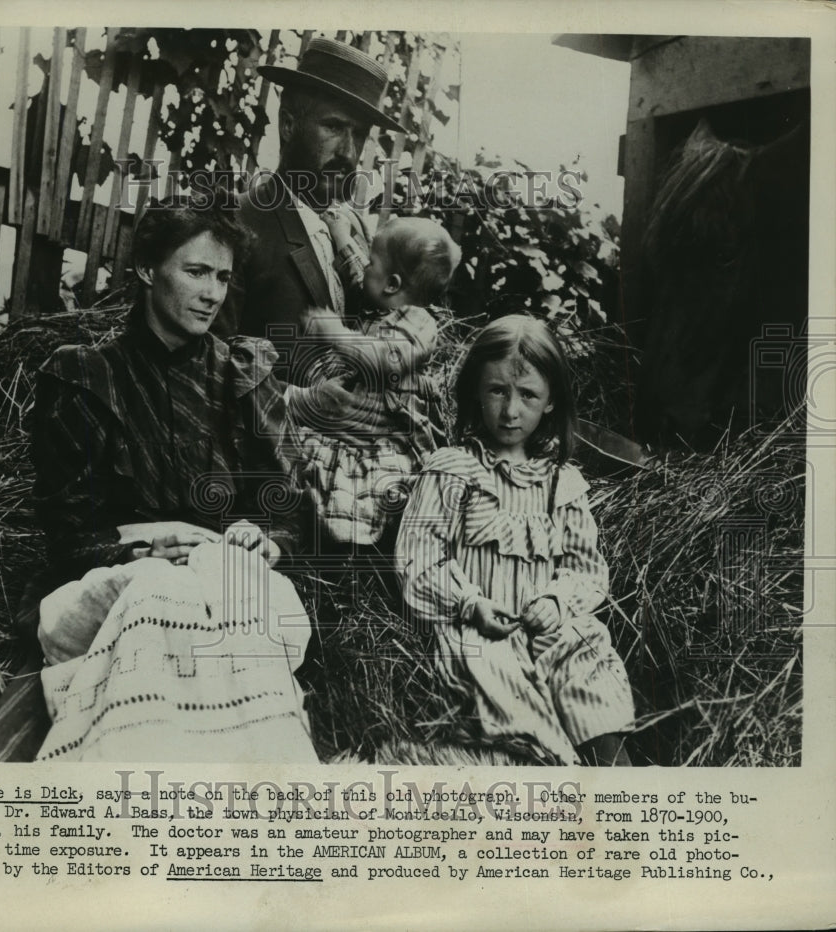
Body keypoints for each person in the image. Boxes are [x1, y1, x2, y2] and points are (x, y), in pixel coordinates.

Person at [26, 199, 317, 762]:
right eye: (196, 271)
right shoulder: (85, 376)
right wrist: (142, 546)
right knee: (160, 596)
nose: (213, 293)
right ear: (145, 270)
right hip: (119, 587)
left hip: (230, 585)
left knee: (232, 607)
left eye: (224, 277)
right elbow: (66, 539)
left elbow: (290, 512)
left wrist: (268, 542)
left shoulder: (243, 375)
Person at [395, 316, 635, 765]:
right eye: (497, 390)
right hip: (481, 630)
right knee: (508, 689)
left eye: (528, 395)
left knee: (585, 650)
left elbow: (585, 568)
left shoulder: (561, 483)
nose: (510, 411)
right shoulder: (452, 470)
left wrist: (558, 601)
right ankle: (556, 768)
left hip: (546, 626)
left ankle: (620, 777)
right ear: (475, 392)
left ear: (550, 404)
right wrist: (469, 603)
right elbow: (419, 557)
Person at [212, 37, 406, 384]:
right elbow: (212, 369)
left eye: (358, 134)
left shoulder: (355, 230)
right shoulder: (238, 221)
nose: (348, 151)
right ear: (288, 126)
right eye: (332, 127)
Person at [290, 215, 462, 548]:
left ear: (393, 284)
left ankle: (356, 552)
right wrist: (342, 239)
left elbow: (384, 360)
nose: (365, 267)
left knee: (365, 492)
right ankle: (322, 535)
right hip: (357, 425)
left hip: (387, 436)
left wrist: (335, 334)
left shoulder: (419, 324)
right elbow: (360, 277)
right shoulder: (381, 301)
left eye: (372, 262)